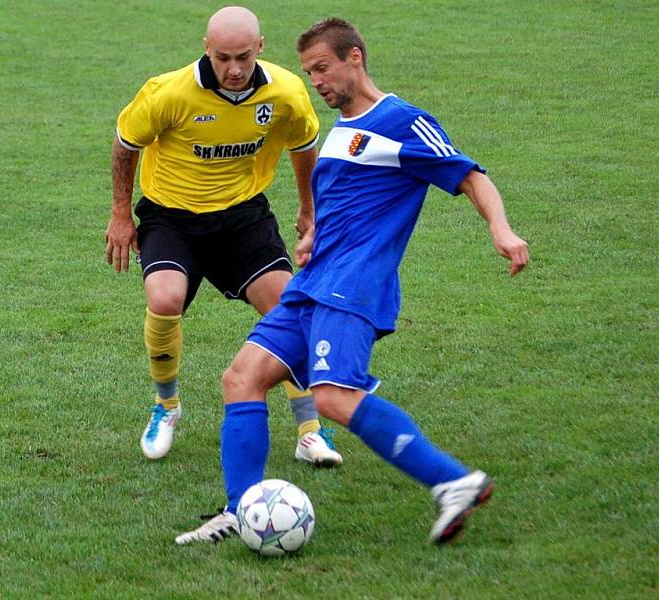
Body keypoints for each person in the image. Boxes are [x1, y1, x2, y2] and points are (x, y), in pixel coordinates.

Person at [175, 18, 530, 546]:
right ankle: (239, 510)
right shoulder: (343, 128)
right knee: (241, 379)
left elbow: (470, 175)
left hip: (353, 287)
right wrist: (314, 235)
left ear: (355, 57)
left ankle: (454, 481)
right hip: (313, 282)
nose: (315, 81)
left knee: (334, 397)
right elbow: (348, 203)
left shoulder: (402, 121)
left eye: (322, 68)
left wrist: (501, 229)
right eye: (308, 72)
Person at [105, 6, 342, 467]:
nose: (234, 70)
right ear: (206, 50)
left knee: (290, 305)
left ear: (260, 48)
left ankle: (310, 428)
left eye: (243, 58)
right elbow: (125, 144)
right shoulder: (168, 92)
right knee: (165, 297)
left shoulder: (286, 92)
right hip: (170, 217)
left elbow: (303, 145)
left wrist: (309, 211)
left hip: (242, 217)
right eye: (222, 58)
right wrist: (120, 213)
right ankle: (167, 407)